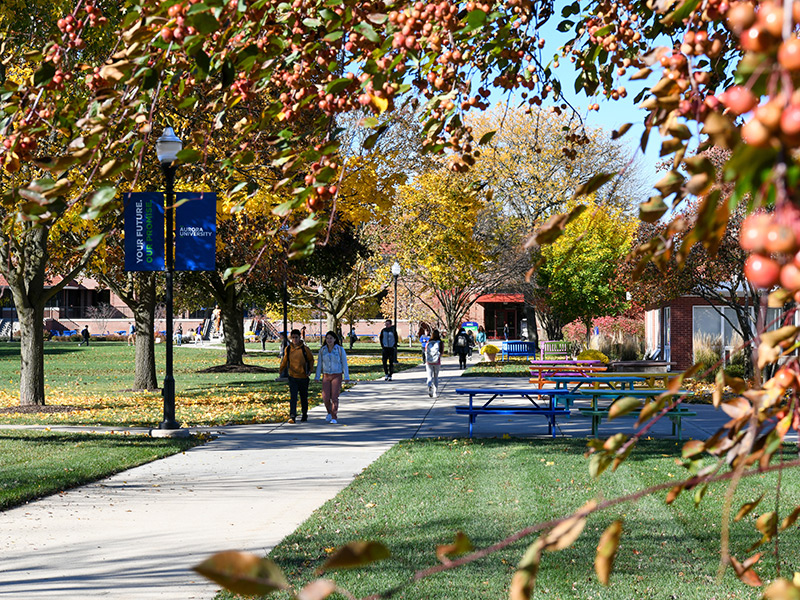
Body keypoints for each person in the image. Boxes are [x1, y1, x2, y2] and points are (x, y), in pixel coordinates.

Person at [279, 328, 314, 423]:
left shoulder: (305, 349)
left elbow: (311, 360)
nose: (294, 340)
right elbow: (285, 360)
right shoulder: (288, 349)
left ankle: (304, 414)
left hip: (303, 377)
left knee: (303, 397)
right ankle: (292, 415)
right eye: (293, 337)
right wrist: (281, 370)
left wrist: (310, 370)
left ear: (300, 337)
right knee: (293, 397)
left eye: (296, 337)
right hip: (293, 377)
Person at [315, 331, 349, 424]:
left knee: (334, 397)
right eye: (327, 338)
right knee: (325, 397)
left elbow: (344, 363)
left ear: (335, 339)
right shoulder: (323, 350)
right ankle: (329, 412)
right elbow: (319, 364)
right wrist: (317, 376)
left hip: (336, 375)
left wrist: (346, 376)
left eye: (331, 338)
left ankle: (334, 416)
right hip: (326, 375)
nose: (329, 340)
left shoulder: (339, 349)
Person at [425, 329, 444, 398]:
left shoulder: (428, 342)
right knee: (436, 377)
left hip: (429, 362)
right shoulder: (440, 342)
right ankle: (435, 393)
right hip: (437, 362)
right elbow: (442, 352)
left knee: (429, 377)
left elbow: (425, 351)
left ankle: (429, 385)